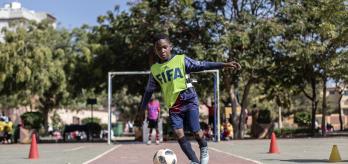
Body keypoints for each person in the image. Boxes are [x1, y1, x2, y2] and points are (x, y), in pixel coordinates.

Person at [139, 33, 241, 164]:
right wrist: (142, 109)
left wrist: (223, 64)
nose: (162, 50)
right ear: (155, 51)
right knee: (178, 133)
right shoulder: (155, 70)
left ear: (170, 47)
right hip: (174, 106)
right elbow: (148, 91)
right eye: (159, 49)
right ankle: (194, 161)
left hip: (189, 100)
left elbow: (202, 65)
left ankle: (203, 147)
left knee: (196, 132)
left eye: (164, 47)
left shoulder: (181, 60)